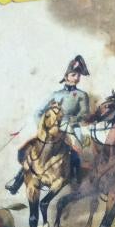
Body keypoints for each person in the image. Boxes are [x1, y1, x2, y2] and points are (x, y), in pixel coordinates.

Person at [6, 55, 90, 194]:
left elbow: (84, 113)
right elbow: (38, 112)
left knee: (76, 151)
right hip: (50, 129)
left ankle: (75, 178)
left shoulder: (81, 95)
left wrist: (72, 120)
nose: (76, 78)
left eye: (78, 76)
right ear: (66, 76)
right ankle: (18, 180)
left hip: (70, 128)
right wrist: (43, 127)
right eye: (73, 75)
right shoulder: (55, 94)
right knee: (32, 150)